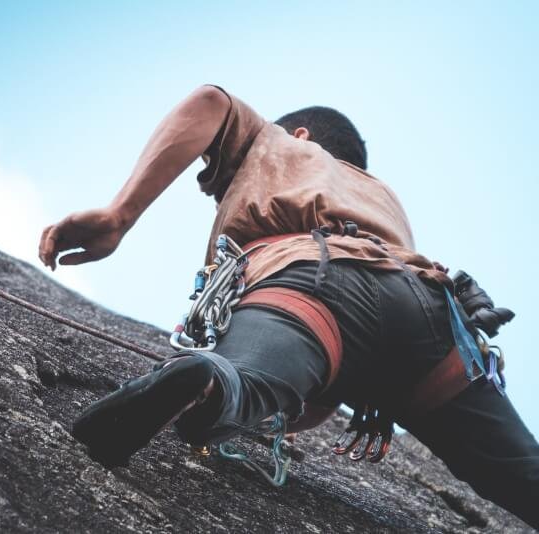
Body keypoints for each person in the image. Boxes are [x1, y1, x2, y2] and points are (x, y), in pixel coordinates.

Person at [37, 85, 539, 528]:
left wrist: (120, 214)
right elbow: (321, 388)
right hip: (427, 311)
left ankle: (212, 388)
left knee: (240, 380)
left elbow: (211, 102)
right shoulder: (381, 198)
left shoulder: (281, 147)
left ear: (298, 135)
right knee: (520, 472)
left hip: (309, 282)